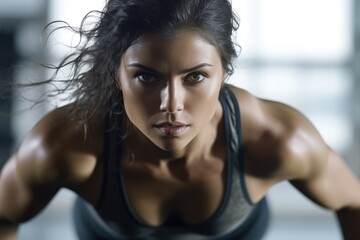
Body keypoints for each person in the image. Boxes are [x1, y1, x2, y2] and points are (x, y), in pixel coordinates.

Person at [0, 0, 359, 239]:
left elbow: (352, 202)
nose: (171, 104)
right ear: (116, 74)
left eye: (196, 77)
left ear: (224, 74)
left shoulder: (279, 140)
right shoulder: (62, 145)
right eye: (146, 76)